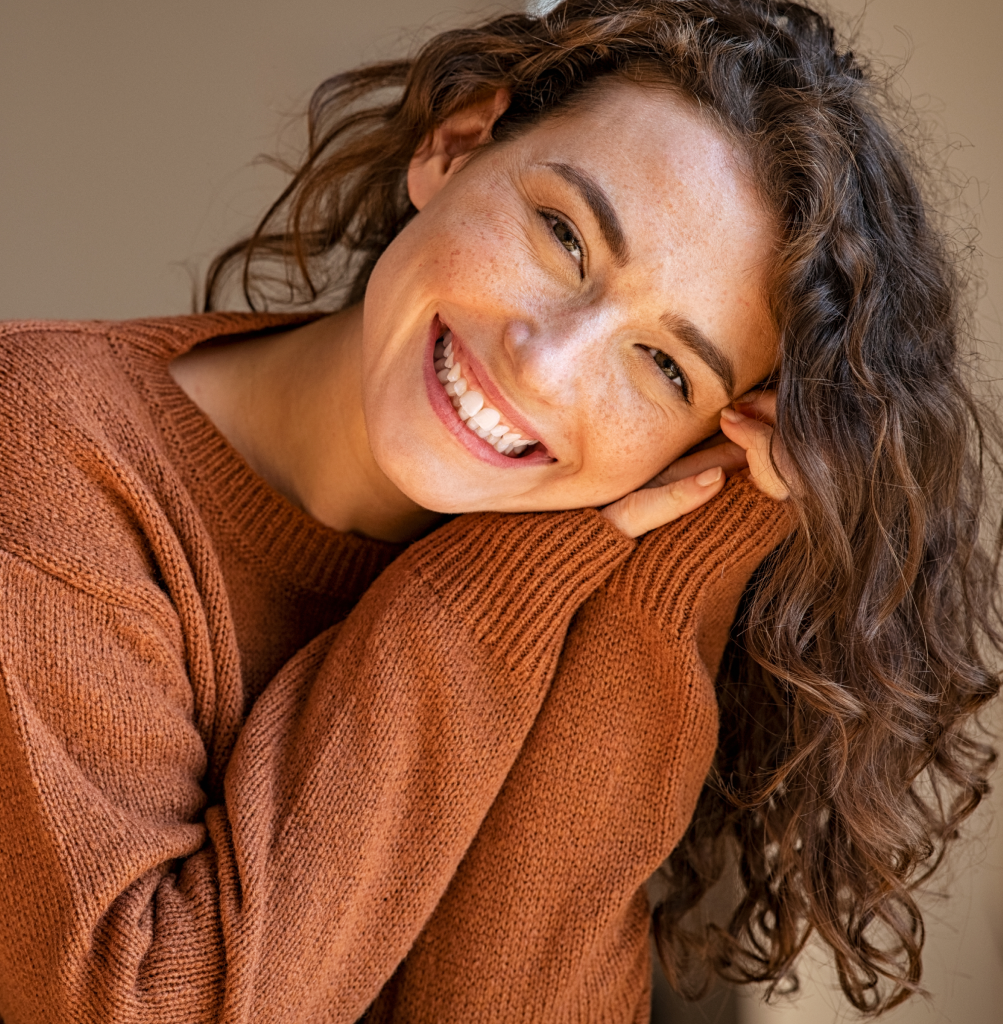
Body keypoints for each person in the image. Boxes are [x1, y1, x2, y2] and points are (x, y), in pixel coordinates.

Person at [0, 0, 998, 1021]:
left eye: (662, 365)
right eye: (562, 235)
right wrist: (484, 591)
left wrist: (681, 562)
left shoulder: (590, 594)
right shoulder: (41, 443)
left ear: (713, 431)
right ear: (456, 143)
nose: (547, 363)